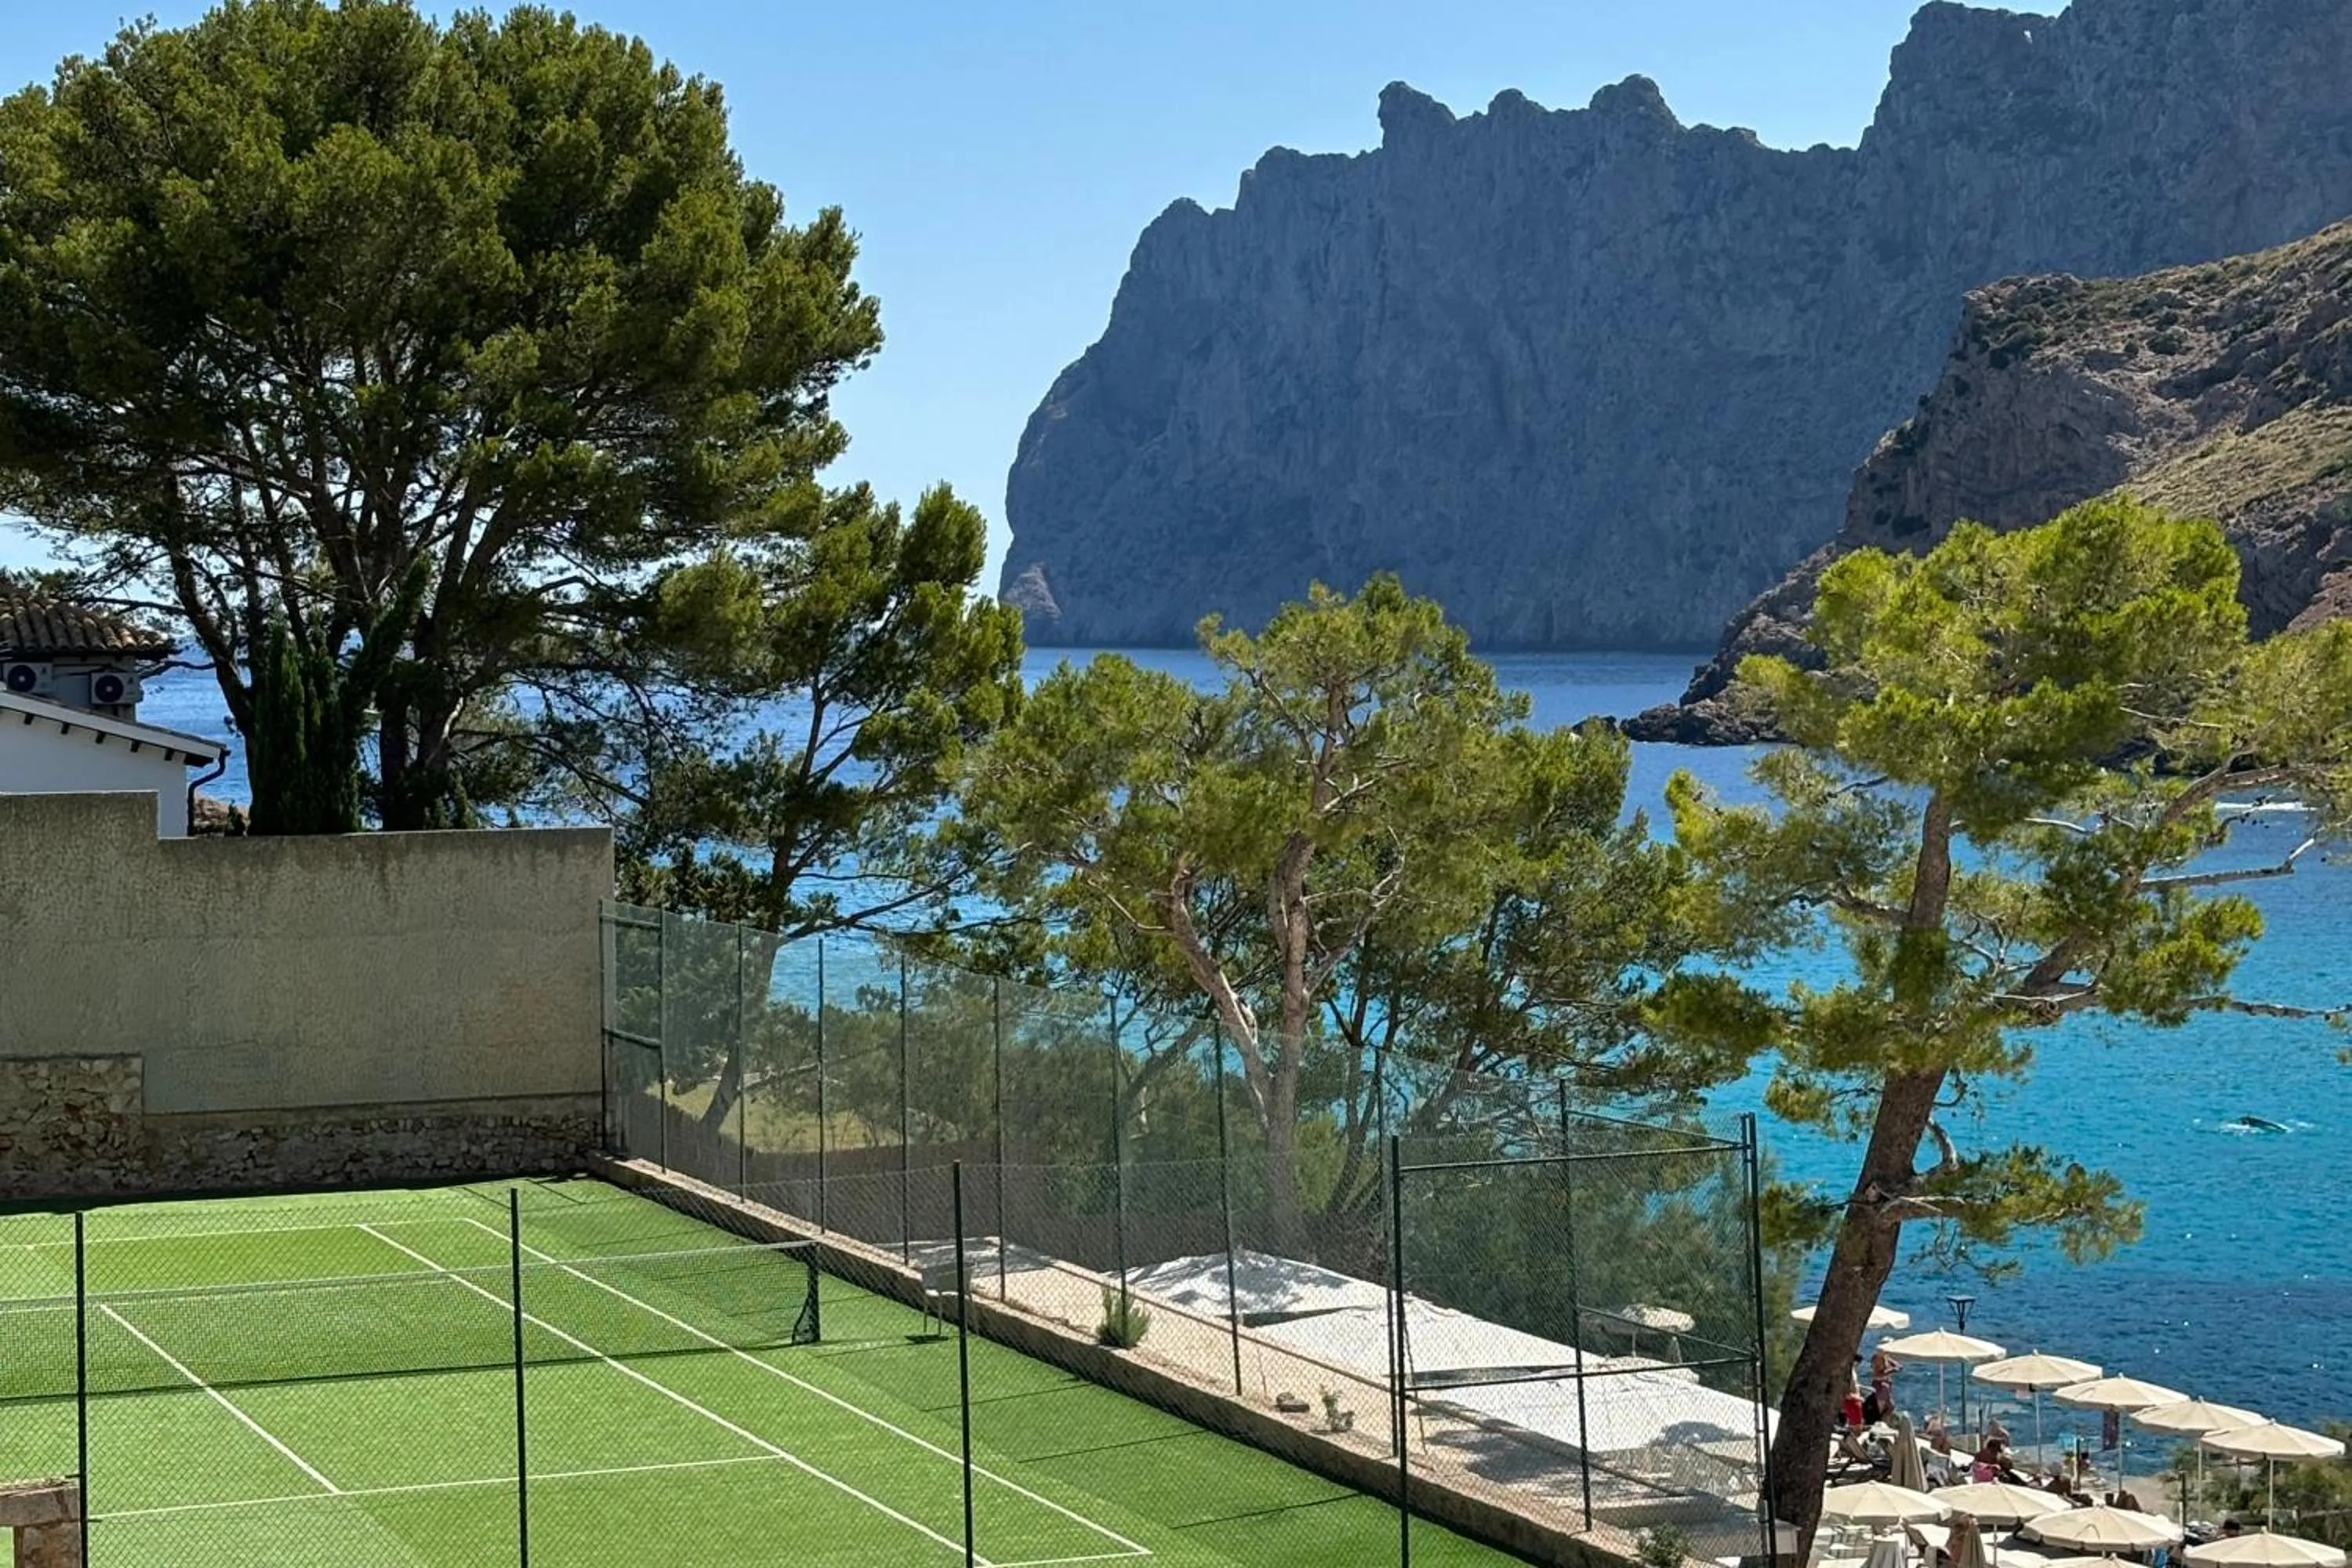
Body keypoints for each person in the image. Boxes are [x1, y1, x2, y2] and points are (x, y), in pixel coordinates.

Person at [1845, 1360, 1867, 1430]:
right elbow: (1847, 1395)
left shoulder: (1852, 1371)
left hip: (1855, 1403)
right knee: (1857, 1425)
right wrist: (1860, 1399)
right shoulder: (1849, 1373)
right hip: (1853, 1403)